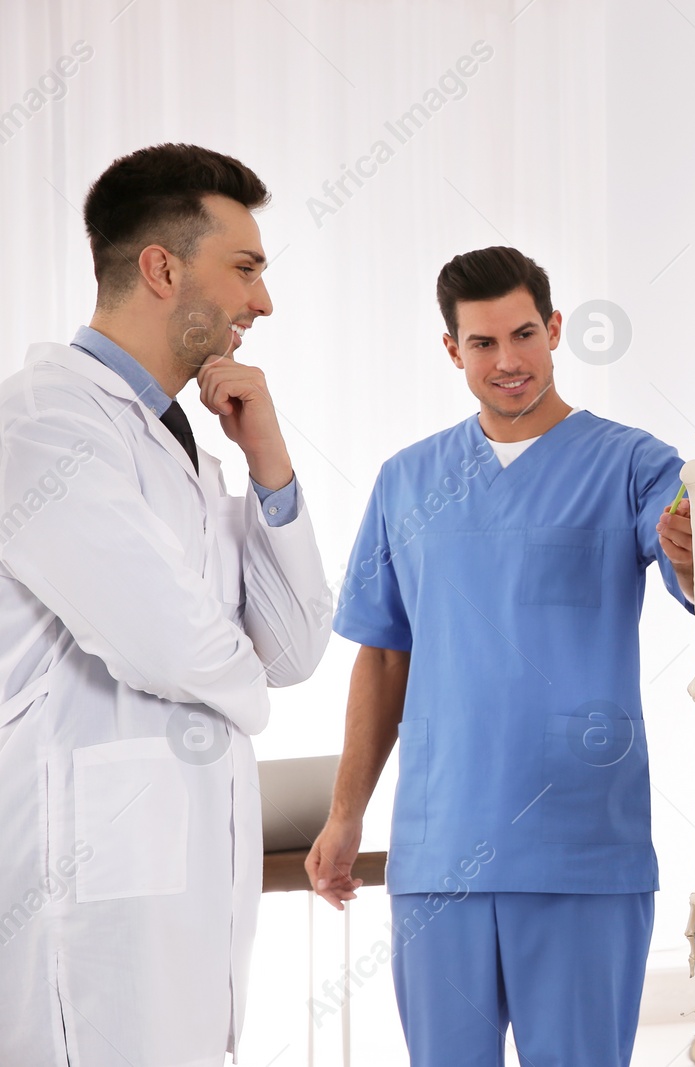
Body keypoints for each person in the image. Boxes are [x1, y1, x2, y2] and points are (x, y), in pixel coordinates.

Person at [306, 246, 695, 1067]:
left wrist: (693, 547)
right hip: (438, 848)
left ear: (556, 329)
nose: (508, 361)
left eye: (524, 334)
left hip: (581, 850)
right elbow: (384, 658)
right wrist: (346, 812)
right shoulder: (408, 480)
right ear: (452, 350)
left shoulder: (634, 462)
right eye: (483, 343)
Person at [0, 143, 332, 1065]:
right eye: (246, 268)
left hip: (178, 895)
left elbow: (297, 645)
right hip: (87, 896)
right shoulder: (47, 423)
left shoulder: (187, 449)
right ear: (161, 268)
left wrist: (270, 460)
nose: (261, 301)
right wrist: (242, 692)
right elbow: (177, 649)